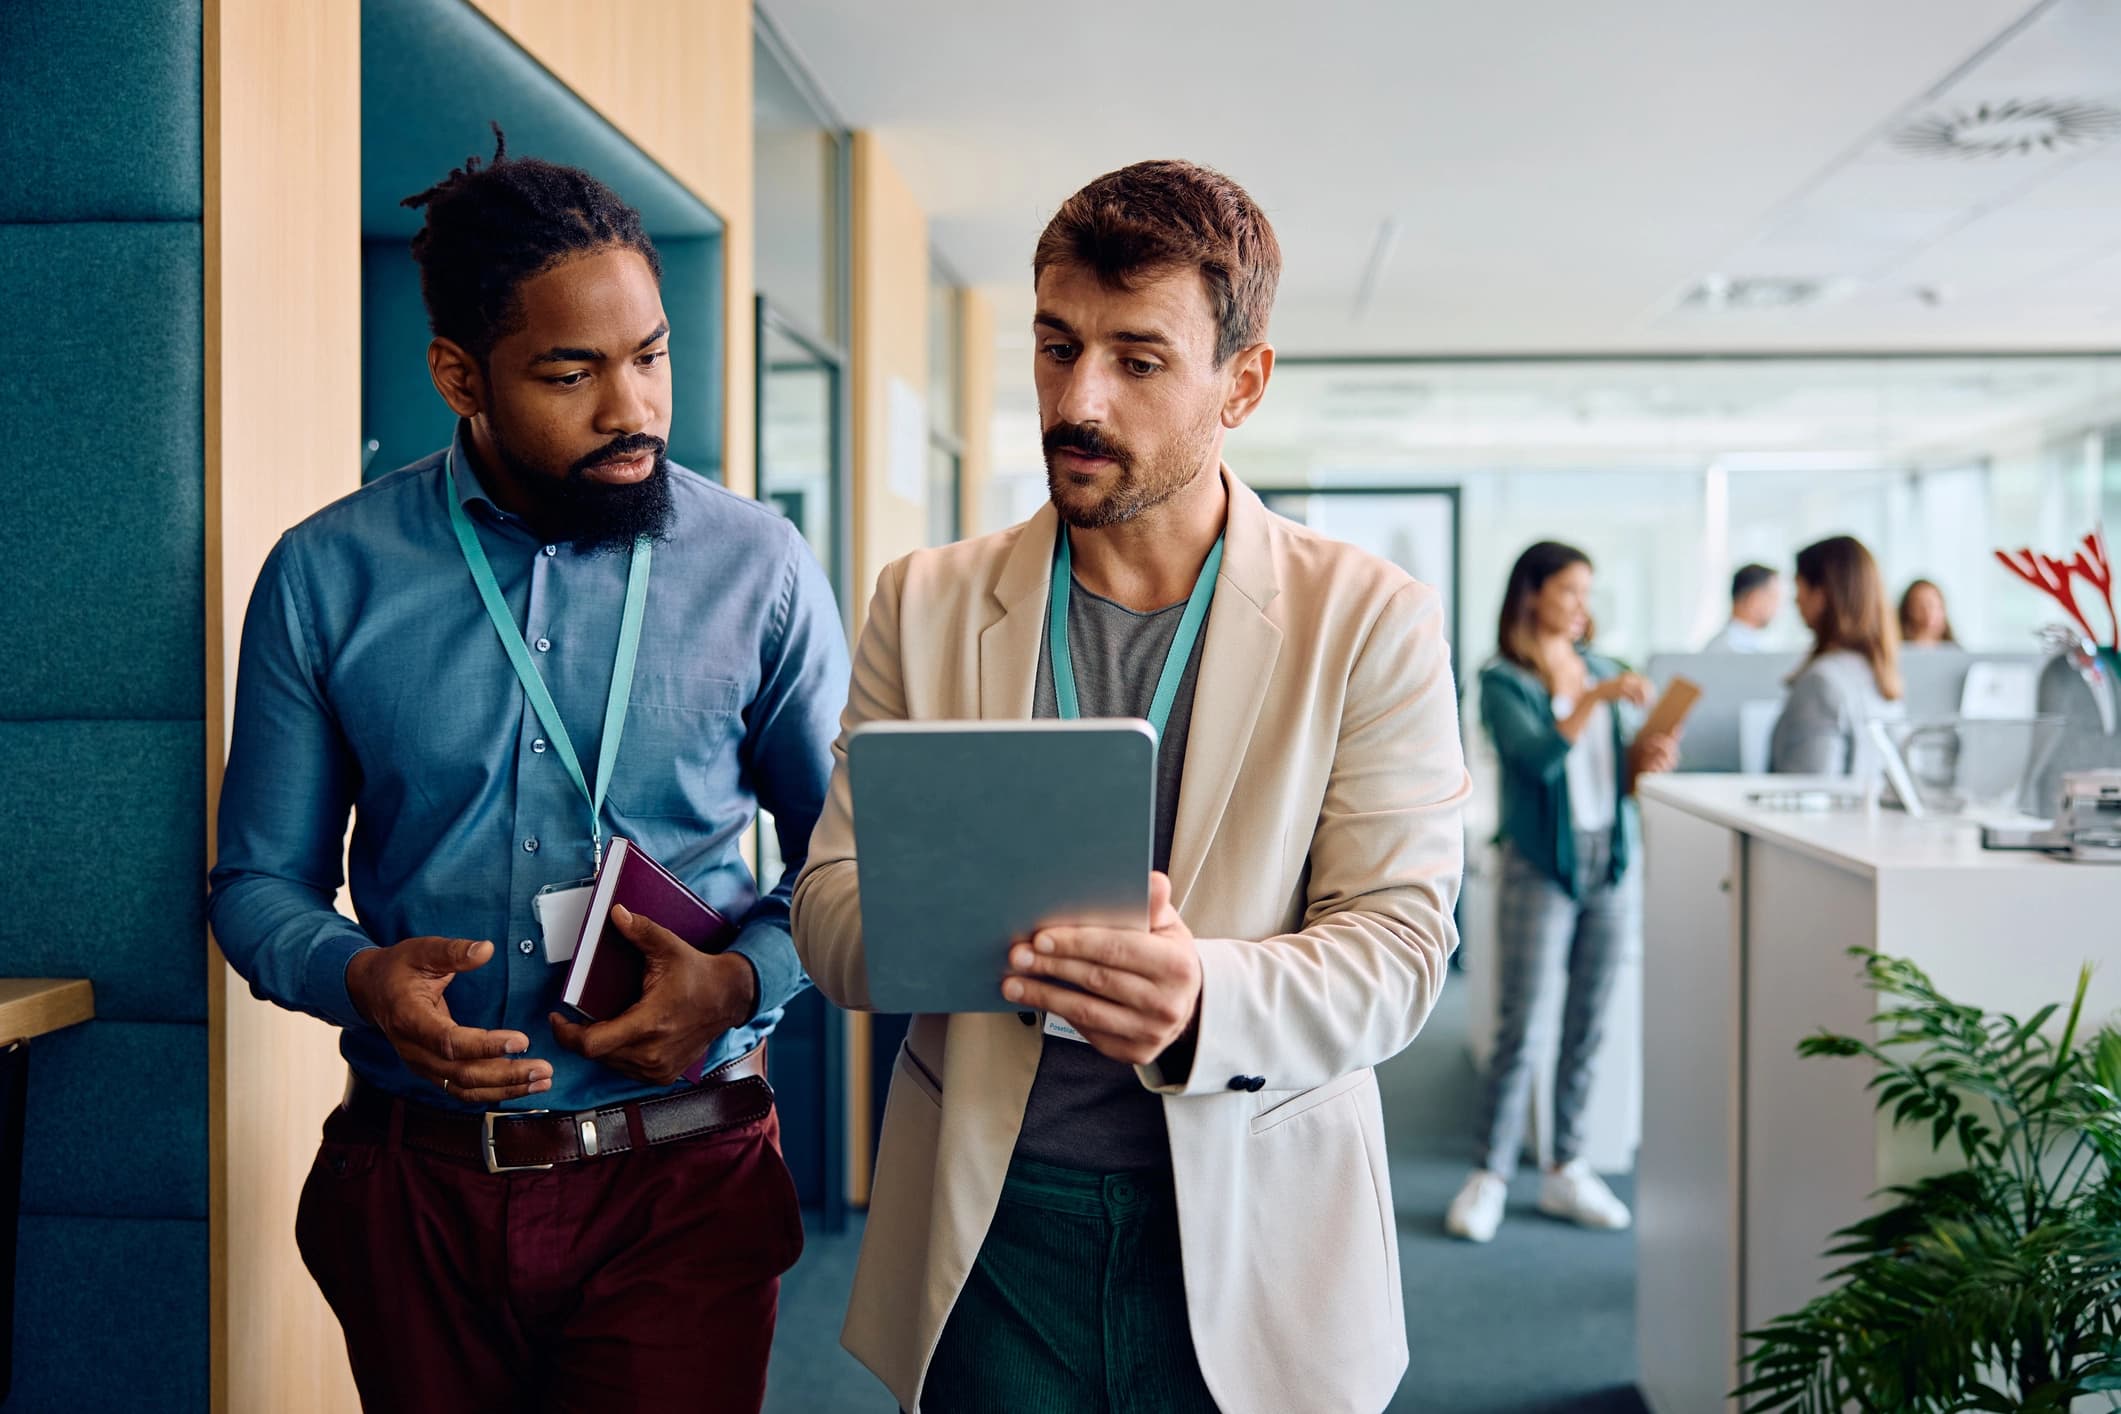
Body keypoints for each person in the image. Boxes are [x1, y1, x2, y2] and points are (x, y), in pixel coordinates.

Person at [792, 161, 1471, 1414]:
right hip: (991, 1227)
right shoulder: (926, 600)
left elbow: (1399, 951)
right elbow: (829, 911)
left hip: (1255, 1224)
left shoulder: (1368, 619)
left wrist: (1200, 990)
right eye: (1057, 348)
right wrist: (960, 919)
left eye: (1138, 359)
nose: (1078, 399)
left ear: (1243, 384)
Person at [207, 134, 848, 1414]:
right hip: (416, 1194)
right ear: (460, 375)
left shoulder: (760, 568)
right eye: (574, 373)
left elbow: (851, 856)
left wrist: (736, 980)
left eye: (652, 355)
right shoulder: (327, 575)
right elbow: (255, 883)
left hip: (685, 1176)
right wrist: (357, 979)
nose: (634, 410)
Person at [1445, 543, 1679, 1245]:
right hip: (1537, 864)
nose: (1582, 605)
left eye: (1586, 592)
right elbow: (1540, 761)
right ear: (1533, 594)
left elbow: (1615, 781)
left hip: (1608, 859)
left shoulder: (1604, 671)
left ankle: (1565, 1167)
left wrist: (1646, 761)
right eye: (1570, 591)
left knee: (1590, 1021)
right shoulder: (1501, 681)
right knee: (1523, 1026)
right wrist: (1590, 700)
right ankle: (1487, 1173)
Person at [1770, 535, 1904, 780]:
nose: (1795, 600)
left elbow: (1810, 790)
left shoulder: (1821, 683)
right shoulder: (1879, 675)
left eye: (1799, 587)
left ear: (1821, 594)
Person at [1703, 562, 1781, 651]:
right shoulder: (1726, 649)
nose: (1778, 607)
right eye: (1774, 598)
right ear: (1754, 600)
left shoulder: (1752, 645)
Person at [1899, 577, 1959, 648]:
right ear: (1907, 611)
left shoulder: (1959, 653)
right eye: (1919, 606)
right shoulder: (1895, 649)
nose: (1927, 612)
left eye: (1933, 605)